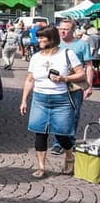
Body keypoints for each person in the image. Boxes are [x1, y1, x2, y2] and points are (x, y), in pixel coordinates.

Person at [20, 25, 83, 177]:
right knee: (40, 133)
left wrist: (64, 78)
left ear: (52, 38)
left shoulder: (67, 53)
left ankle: (69, 156)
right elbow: (30, 79)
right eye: (39, 37)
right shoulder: (36, 57)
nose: (39, 40)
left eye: (42, 37)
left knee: (61, 133)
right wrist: (24, 100)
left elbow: (81, 74)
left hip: (61, 100)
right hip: (39, 99)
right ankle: (41, 167)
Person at [52, 18, 94, 155]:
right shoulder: (55, 44)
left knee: (74, 114)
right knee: (58, 114)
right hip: (57, 84)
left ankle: (70, 140)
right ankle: (58, 143)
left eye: (66, 29)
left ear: (73, 30)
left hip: (75, 85)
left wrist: (89, 86)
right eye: (61, 28)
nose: (62, 31)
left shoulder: (82, 45)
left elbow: (88, 67)